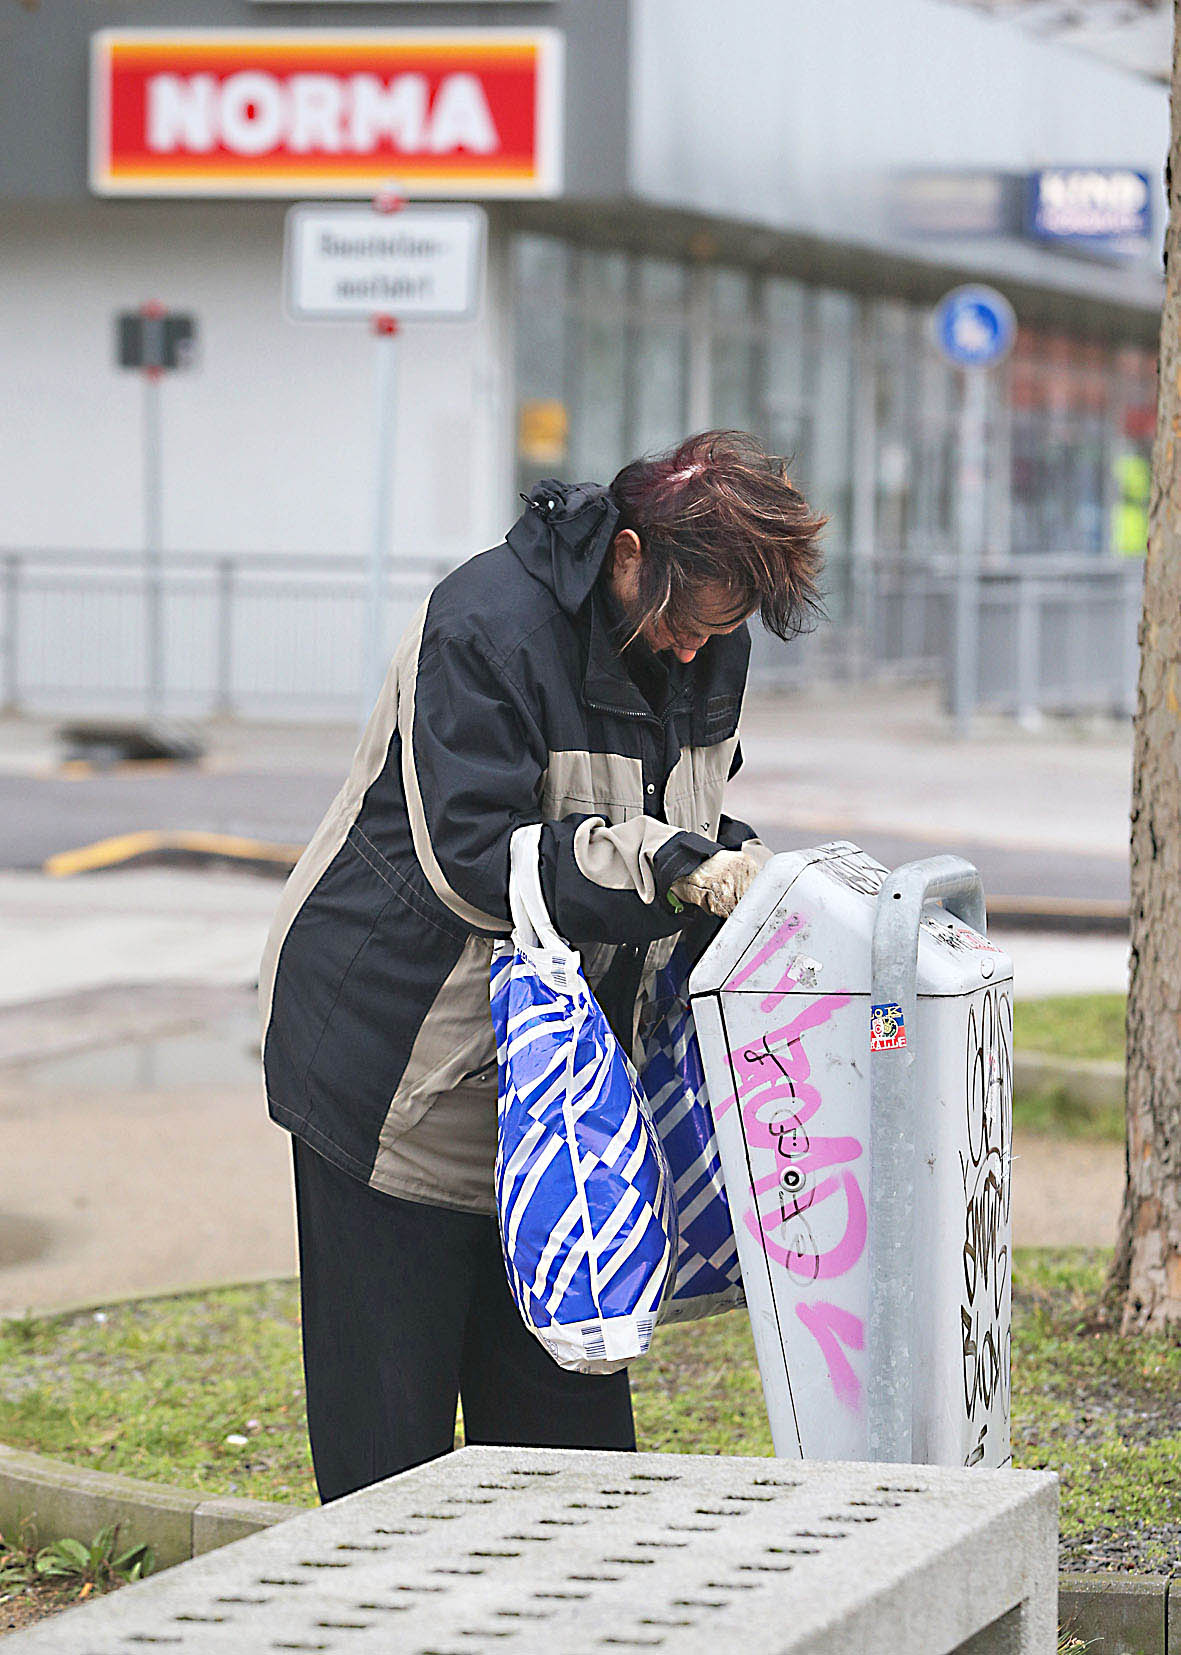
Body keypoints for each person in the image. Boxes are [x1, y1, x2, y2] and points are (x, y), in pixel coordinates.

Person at [259, 428, 825, 1502]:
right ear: (624, 553)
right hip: (396, 1070)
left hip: (562, 1091)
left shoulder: (704, 642)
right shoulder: (482, 623)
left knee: (572, 1452)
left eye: (726, 632)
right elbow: (474, 857)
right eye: (690, 624)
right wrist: (668, 866)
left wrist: (735, 873)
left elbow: (675, 819)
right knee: (391, 1452)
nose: (702, 654)